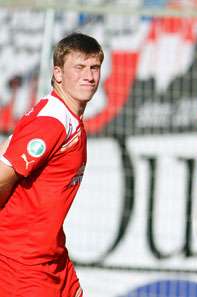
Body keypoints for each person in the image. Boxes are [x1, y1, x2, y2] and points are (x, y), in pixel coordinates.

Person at [0, 33, 103, 297]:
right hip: (22, 263)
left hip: (52, 256)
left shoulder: (67, 117)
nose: (89, 76)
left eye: (94, 68)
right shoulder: (53, 121)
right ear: (58, 74)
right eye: (79, 68)